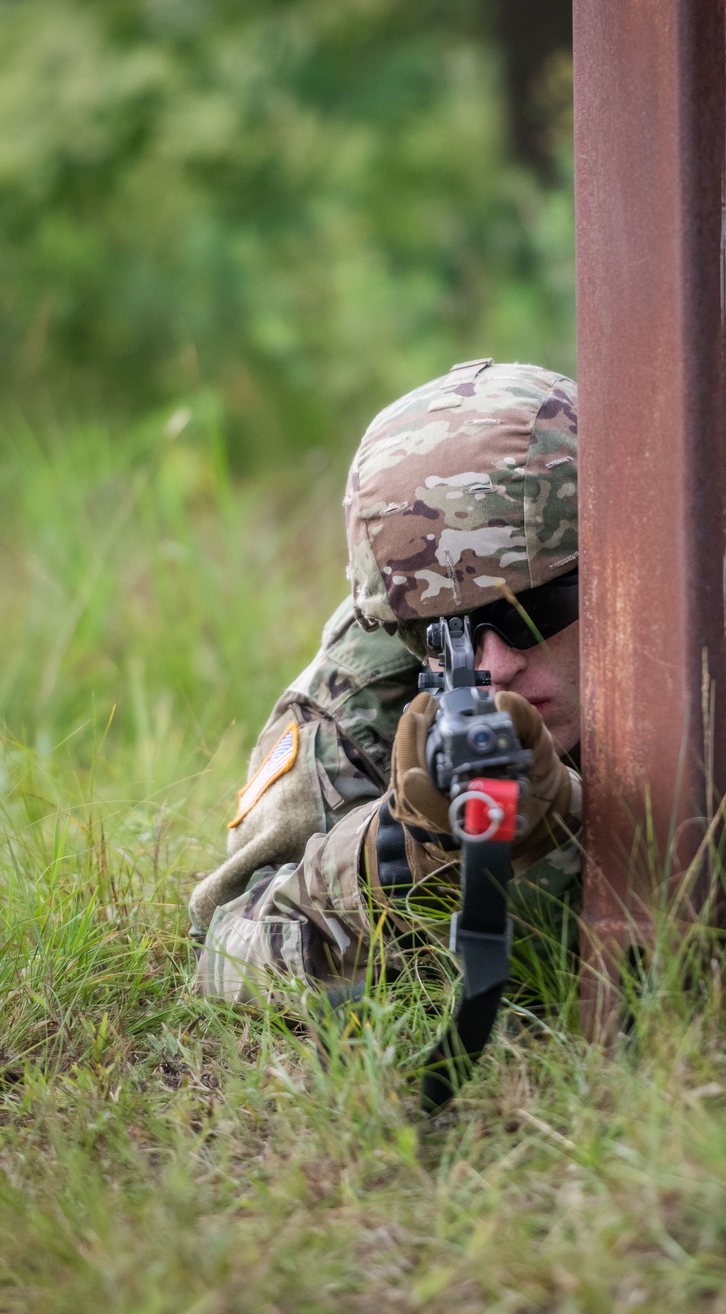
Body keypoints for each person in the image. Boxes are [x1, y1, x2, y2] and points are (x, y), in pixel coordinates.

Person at [189, 358, 581, 1002]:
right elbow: (223, 946)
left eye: (532, 610)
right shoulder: (361, 699)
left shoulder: (717, 613)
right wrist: (382, 868)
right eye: (438, 632)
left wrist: (574, 821)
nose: (494, 666)